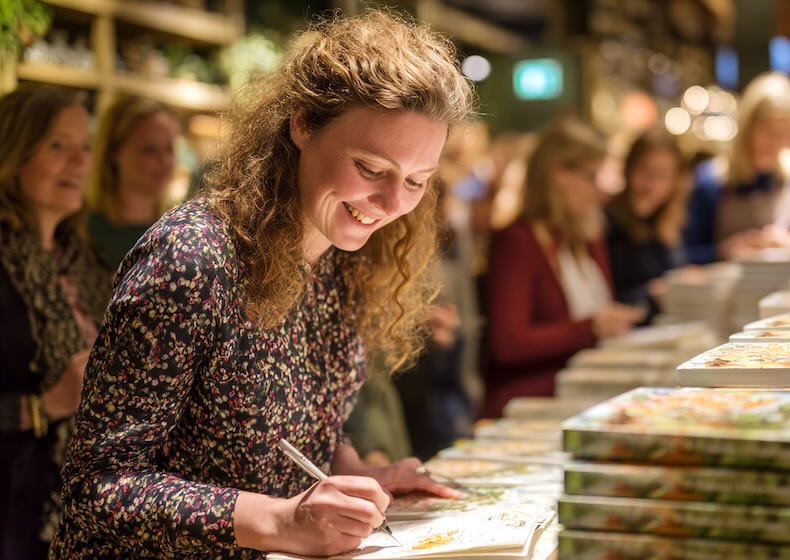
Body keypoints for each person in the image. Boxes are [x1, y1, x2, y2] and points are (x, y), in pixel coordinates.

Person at [51, 11, 473, 559]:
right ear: (302, 125)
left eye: (417, 181)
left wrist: (362, 478)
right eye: (371, 168)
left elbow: (293, 437)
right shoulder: (193, 259)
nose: (394, 205)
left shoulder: (343, 261)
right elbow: (98, 486)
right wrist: (277, 520)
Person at [0, 86, 110, 559]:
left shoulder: (90, 262)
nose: (78, 163)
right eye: (57, 146)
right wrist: (46, 406)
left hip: (93, 515)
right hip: (12, 515)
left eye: (85, 147)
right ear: (13, 153)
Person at [481, 118, 644, 418]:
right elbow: (509, 343)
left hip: (587, 389)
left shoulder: (588, 235)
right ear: (557, 174)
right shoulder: (517, 240)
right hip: (533, 402)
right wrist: (591, 328)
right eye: (591, 177)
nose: (599, 191)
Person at [684, 73, 790, 263]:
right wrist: (725, 249)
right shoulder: (711, 179)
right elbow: (686, 254)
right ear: (747, 127)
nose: (776, 142)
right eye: (768, 132)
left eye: (784, 134)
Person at [86, 96, 181, 269]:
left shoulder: (177, 232)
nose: (164, 161)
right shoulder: (80, 230)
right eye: (149, 150)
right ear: (113, 152)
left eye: (169, 149)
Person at [604, 128, 690, 317]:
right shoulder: (608, 223)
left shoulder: (667, 221)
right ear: (628, 169)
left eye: (662, 176)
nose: (651, 185)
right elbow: (604, 302)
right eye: (644, 172)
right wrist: (650, 294)